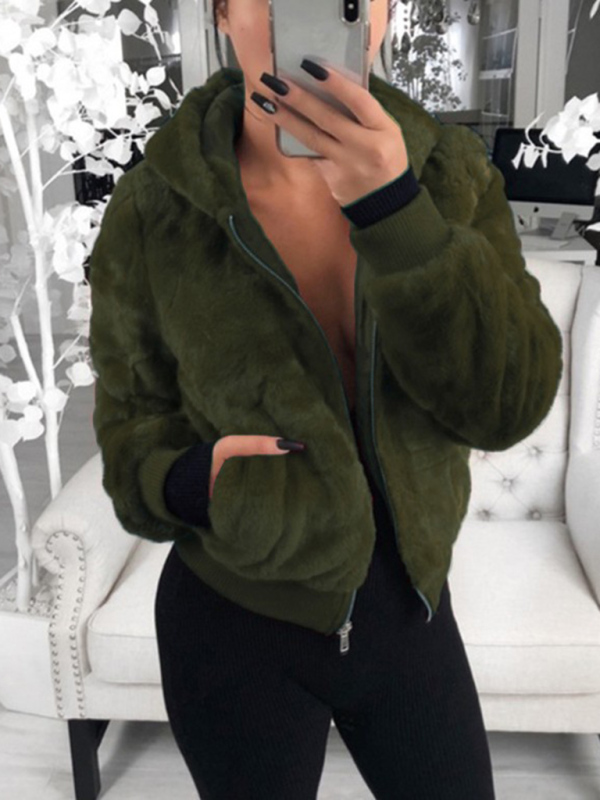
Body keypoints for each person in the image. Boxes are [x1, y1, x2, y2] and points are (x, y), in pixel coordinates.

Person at [88, 0, 563, 797]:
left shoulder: (449, 175)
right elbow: (130, 424)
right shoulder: (154, 208)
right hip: (232, 624)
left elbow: (505, 406)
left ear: (382, 14)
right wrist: (190, 481)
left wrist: (395, 210)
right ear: (222, 12)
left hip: (409, 612)